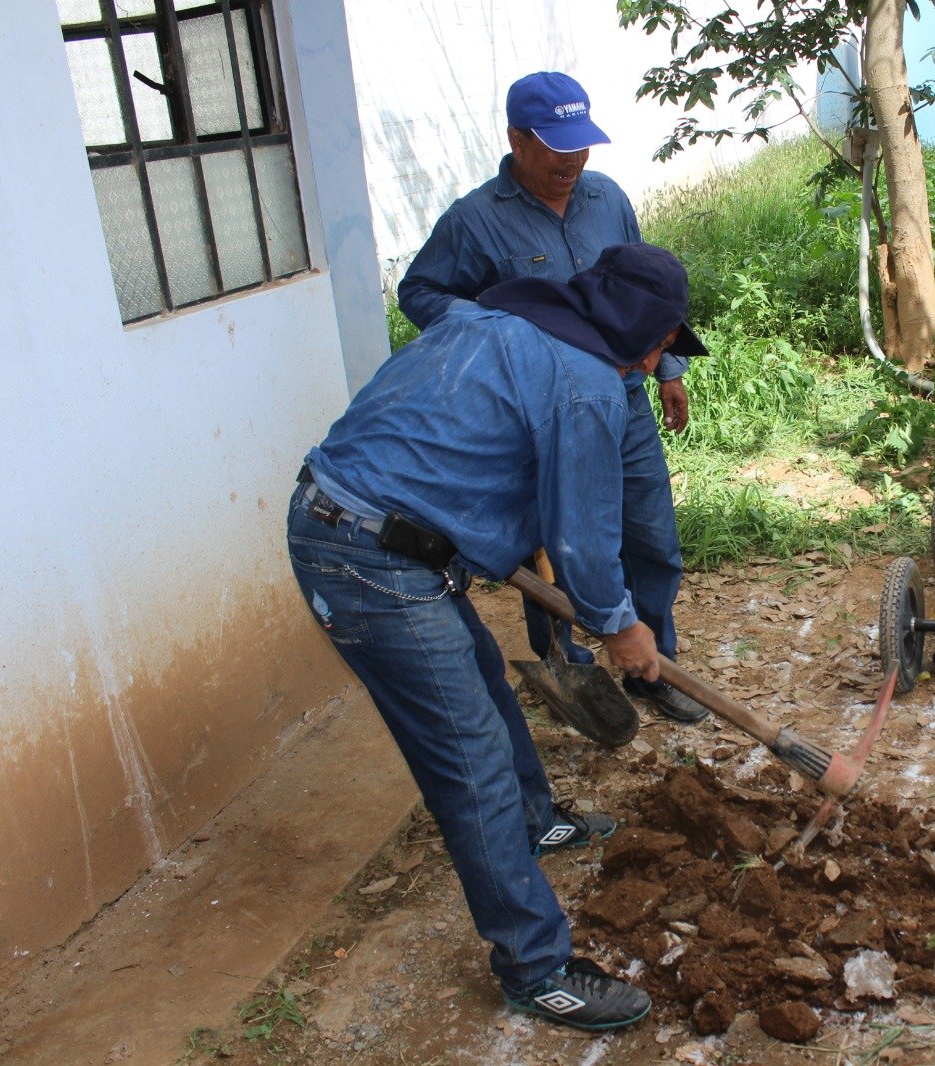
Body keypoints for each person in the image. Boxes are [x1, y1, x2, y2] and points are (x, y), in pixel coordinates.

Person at [287, 243, 708, 1030]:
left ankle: (533, 822)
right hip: (366, 550)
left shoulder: (507, 315)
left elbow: (474, 448)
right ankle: (535, 965)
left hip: (379, 529)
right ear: (638, 332)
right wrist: (622, 626)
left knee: (479, 680)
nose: (657, 366)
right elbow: (583, 543)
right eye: (660, 348)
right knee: (468, 758)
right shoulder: (584, 384)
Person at [398, 71, 707, 722]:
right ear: (515, 138)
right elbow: (419, 293)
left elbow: (643, 290)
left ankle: (653, 667)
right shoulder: (475, 220)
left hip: (621, 401)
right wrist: (495, 329)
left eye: (581, 144)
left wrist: (669, 365)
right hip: (537, 418)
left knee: (652, 540)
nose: (573, 160)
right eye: (556, 146)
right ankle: (569, 665)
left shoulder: (608, 200)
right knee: (550, 546)